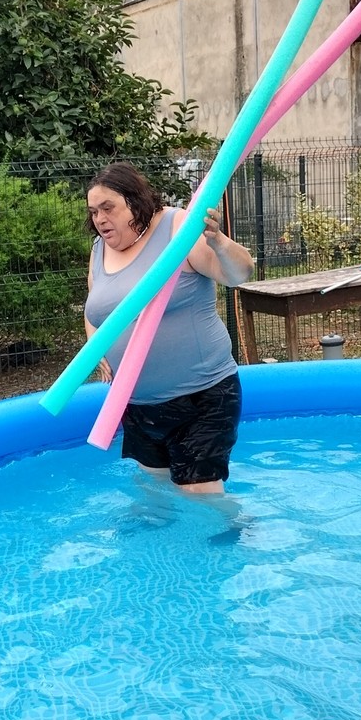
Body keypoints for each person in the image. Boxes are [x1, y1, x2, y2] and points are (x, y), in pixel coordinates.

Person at [84, 162, 255, 496]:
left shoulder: (179, 229)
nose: (100, 219)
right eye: (93, 212)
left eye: (108, 208)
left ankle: (234, 543)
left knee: (200, 497)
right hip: (138, 404)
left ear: (135, 202)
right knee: (156, 495)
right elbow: (96, 309)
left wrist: (218, 241)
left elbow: (239, 274)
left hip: (202, 397)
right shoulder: (99, 250)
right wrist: (97, 348)